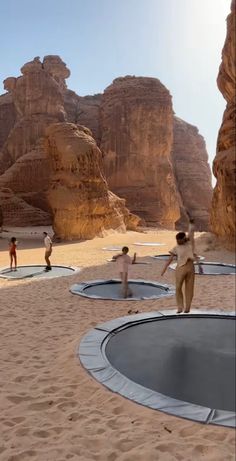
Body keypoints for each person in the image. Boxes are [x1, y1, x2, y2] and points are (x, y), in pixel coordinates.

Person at [161, 215, 198, 314]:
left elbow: (191, 233)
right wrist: (164, 269)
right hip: (180, 268)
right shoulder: (176, 247)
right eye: (176, 240)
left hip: (190, 267)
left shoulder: (189, 243)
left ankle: (187, 308)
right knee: (178, 287)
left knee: (189, 288)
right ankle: (180, 307)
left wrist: (191, 224)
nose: (177, 241)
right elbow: (170, 259)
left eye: (179, 240)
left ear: (183, 239)